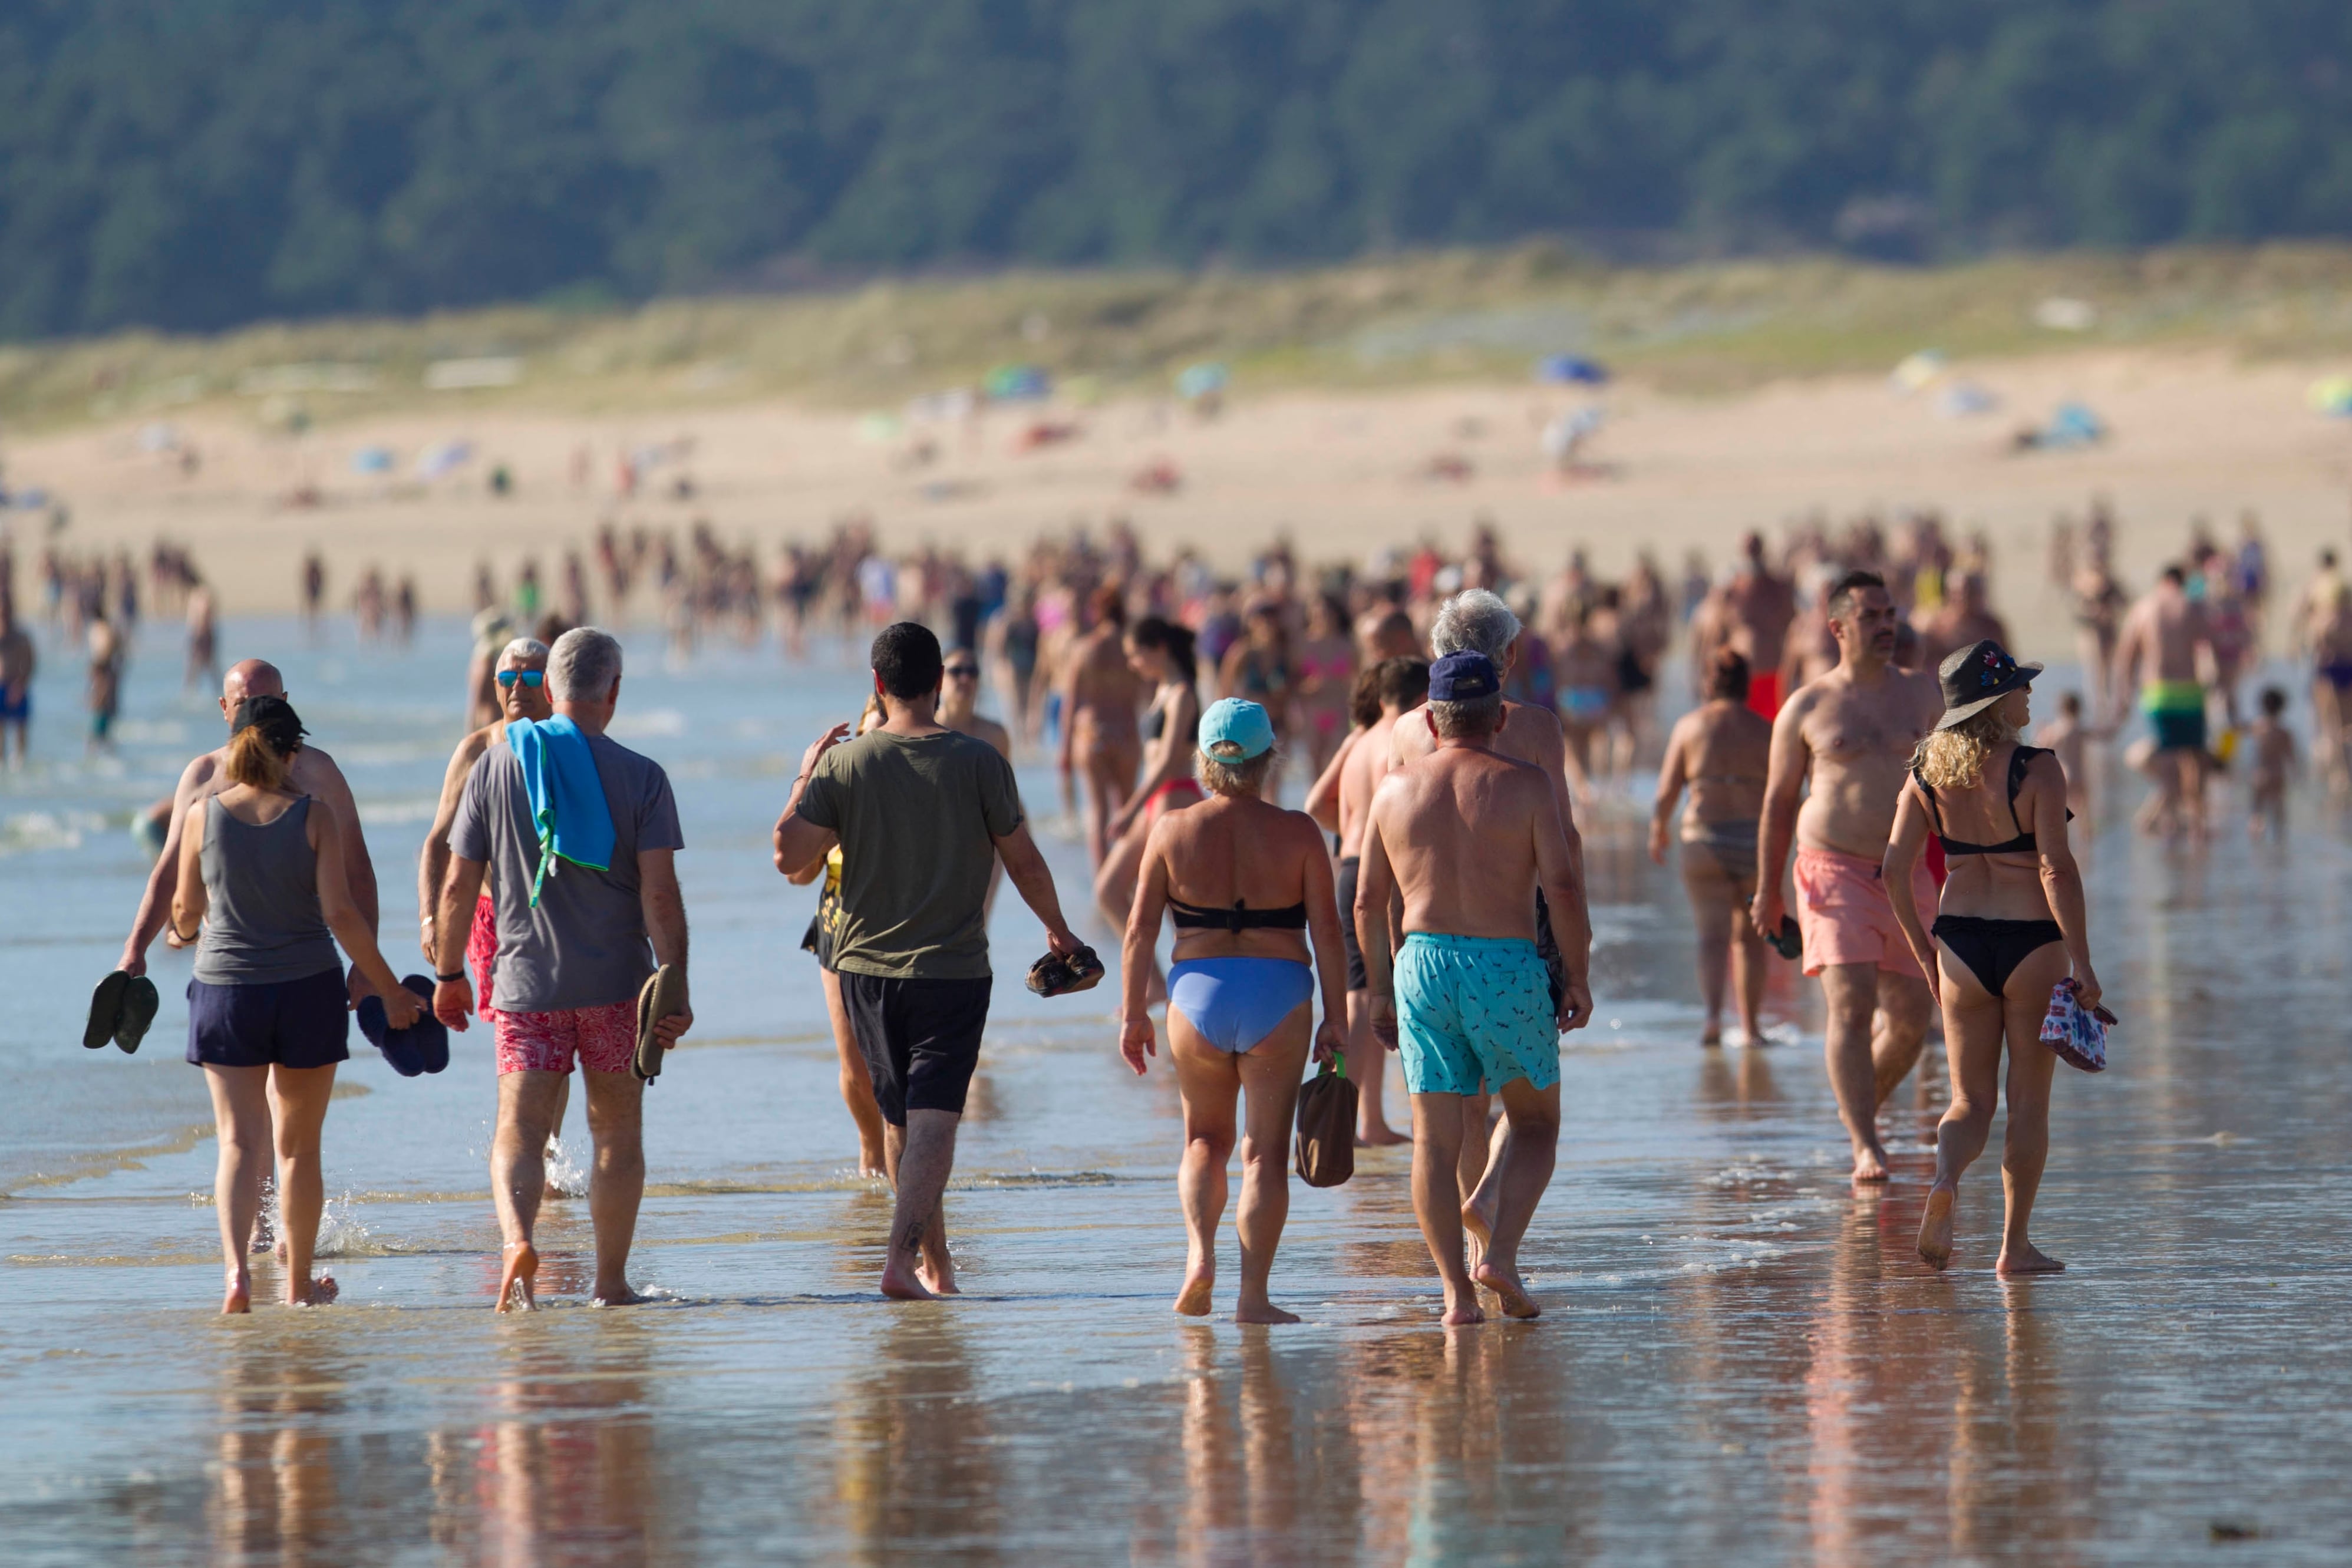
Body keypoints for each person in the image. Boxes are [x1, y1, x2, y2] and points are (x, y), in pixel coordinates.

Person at [771, 621, 1084, 1300]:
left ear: (877, 686)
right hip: (952, 969)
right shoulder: (979, 761)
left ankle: (933, 1268)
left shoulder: (844, 765)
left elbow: (787, 857)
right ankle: (899, 1258)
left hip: (863, 973)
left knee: (898, 1123)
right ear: (941, 682)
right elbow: (1023, 859)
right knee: (936, 1122)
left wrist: (806, 770)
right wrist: (1059, 930)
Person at [432, 628, 693, 1311]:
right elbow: (659, 894)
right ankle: (609, 1284)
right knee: (614, 1133)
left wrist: (449, 972)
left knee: (518, 1131)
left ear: (548, 690)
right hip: (616, 991)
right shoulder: (644, 776)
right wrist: (676, 981)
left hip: (524, 988)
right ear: (613, 692)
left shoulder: (494, 766)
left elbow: (459, 888)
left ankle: (519, 1237)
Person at [1357, 652, 1592, 1325]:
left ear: (1430, 719)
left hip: (1422, 963)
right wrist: (1576, 973)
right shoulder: (1527, 785)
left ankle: (1455, 1297)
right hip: (1505, 962)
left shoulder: (1393, 788)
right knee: (1535, 1124)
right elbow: (1563, 886)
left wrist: (1378, 990)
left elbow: (1369, 902)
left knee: (1434, 1141)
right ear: (1497, 716)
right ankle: (1501, 1256)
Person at [167, 694, 423, 1312]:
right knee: (298, 1148)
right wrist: (388, 988)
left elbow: (184, 913)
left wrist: (187, 929)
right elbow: (340, 913)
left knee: (236, 1143)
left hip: (227, 993)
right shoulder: (314, 817)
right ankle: (298, 1284)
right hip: (306, 989)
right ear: (290, 753)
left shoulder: (204, 814)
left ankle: (236, 1277)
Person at [1116, 698, 1349, 1323]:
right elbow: (1328, 933)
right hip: (1279, 994)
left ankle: (1198, 1257)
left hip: (1195, 997)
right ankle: (1252, 1298)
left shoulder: (1171, 828)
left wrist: (1133, 1013)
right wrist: (1337, 1016)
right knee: (1264, 1156)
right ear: (1267, 759)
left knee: (1202, 1140)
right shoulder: (1299, 831)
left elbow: (1138, 932)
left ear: (1203, 760)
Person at [1884, 641, 2096, 1276]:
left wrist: (1923, 951)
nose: (2029, 694)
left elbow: (1894, 871)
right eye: (2018, 686)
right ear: (1994, 701)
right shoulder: (2037, 767)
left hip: (1959, 945)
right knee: (2027, 1103)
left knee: (1967, 1102)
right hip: (2031, 943)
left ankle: (1945, 1175)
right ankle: (2013, 1248)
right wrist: (2082, 964)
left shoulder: (1925, 772)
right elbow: (2055, 869)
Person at [1391, 590, 1584, 1199]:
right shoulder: (1532, 726)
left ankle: (1473, 1249)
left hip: (1429, 928)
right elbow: (1565, 843)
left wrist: (1393, 950)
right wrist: (1580, 957)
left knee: (1460, 1101)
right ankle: (1493, 1227)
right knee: (1526, 1095)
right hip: (1519, 919)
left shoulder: (1405, 730)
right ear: (1503, 659)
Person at [1752, 571, 1943, 1183]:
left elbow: (1959, 782)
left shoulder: (1922, 696)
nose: (1886, 626)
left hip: (1905, 871)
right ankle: (1867, 1144)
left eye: (1889, 614)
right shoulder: (1807, 706)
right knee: (1851, 1003)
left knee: (1913, 1017)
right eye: (1870, 617)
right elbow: (1778, 803)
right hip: (1831, 868)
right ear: (1836, 628)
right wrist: (1766, 890)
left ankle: (1856, 1109)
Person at [120, 661, 381, 1012]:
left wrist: (366, 964)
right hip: (227, 968)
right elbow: (168, 873)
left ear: (285, 703)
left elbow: (358, 871)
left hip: (304, 964)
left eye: (268, 701)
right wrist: (134, 950)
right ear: (225, 709)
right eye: (244, 703)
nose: (257, 714)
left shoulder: (320, 775)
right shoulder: (203, 776)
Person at [418, 638, 575, 1176]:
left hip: (559, 917)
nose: (519, 690)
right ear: (495, 687)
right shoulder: (476, 750)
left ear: (552, 685)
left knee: (558, 1051)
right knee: (524, 1047)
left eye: (533, 680)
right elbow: (438, 841)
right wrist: (431, 918)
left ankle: (541, 1155)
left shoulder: (572, 747)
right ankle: (525, 1155)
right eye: (510, 680)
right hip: (491, 916)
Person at [785, 695, 891, 1178]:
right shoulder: (839, 791)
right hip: (839, 927)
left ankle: (905, 1157)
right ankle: (872, 1149)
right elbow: (796, 873)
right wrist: (830, 826)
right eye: (867, 736)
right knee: (855, 1064)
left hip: (903, 928)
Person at [1324, 656, 1428, 1144]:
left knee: (1358, 991)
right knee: (1374, 995)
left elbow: (1314, 804)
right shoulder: (1407, 733)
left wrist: (1350, 825)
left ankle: (1364, 1118)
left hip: (1348, 867)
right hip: (1384, 872)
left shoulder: (1357, 737)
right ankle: (1363, 1119)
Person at [1649, 649, 1773, 1047]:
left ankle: (1713, 1020)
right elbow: (1785, 792)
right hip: (1754, 841)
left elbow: (1667, 790)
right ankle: (1751, 1027)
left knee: (1711, 937)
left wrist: (1658, 829)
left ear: (1707, 683)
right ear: (1745, 684)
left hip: (1704, 838)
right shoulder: (1764, 729)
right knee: (1751, 938)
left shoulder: (1689, 727)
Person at [1094, 618, 1205, 971]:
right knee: (1109, 891)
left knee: (1179, 908)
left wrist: (1129, 808)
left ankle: (1187, 987)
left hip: (1175, 797)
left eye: (1135, 655)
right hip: (1156, 801)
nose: (1131, 664)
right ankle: (1155, 985)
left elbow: (1170, 759)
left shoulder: (1184, 693)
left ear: (1159, 649)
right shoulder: (1160, 690)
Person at [2111, 565, 2213, 837]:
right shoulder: (2192, 607)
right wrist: (2216, 688)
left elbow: (2125, 656)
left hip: (2158, 692)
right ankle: (2198, 824)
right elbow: (2208, 649)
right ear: (2181, 582)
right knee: (2195, 757)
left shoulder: (2144, 608)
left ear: (2163, 581)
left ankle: (2169, 822)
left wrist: (2124, 696)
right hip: (2190, 691)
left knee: (2167, 758)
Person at [1056, 585, 1144, 865]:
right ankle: (1127, 879)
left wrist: (1065, 749)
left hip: (1092, 734)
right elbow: (1148, 695)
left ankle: (1102, 881)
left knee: (1098, 810)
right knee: (1127, 808)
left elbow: (1071, 704)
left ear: (1097, 612)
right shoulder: (1133, 650)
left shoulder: (1084, 648)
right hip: (1128, 733)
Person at [2246, 685, 2298, 841]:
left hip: (2260, 774)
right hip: (2278, 774)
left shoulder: (2258, 727)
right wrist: (2296, 774)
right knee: (2279, 811)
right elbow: (2291, 757)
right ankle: (2279, 840)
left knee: (2257, 812)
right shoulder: (2284, 732)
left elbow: (2236, 732)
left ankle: (2256, 842)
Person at [0, 593, 34, 767]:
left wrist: (21, 684)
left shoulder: (20, 636)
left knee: (21, 729)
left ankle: (20, 764)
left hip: (17, 685)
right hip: (1, 686)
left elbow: (30, 662)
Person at [86, 609, 124, 752]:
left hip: (105, 674)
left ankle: (99, 751)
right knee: (103, 725)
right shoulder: (106, 630)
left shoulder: (101, 630)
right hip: (106, 674)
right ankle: (106, 751)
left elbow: (105, 654)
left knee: (100, 724)